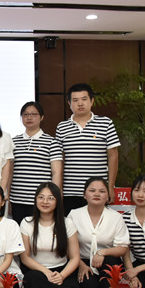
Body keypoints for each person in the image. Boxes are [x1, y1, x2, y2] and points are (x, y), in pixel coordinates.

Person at [19, 182, 80, 288]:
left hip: (62, 271)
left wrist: (62, 276)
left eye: (50, 198)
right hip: (37, 270)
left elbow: (75, 258)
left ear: (58, 201)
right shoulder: (27, 223)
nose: (45, 201)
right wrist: (45, 272)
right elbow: (25, 257)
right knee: (34, 277)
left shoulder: (67, 223)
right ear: (35, 199)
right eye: (41, 197)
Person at [56, 83, 120, 214]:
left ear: (92, 101)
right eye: (75, 100)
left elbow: (113, 155)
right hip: (70, 191)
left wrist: (110, 186)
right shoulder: (62, 127)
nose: (80, 103)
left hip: (98, 190)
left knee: (98, 225)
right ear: (69, 104)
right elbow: (59, 160)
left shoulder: (105, 123)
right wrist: (59, 188)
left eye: (84, 99)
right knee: (71, 225)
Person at [68, 177, 129, 288]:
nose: (97, 194)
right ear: (84, 195)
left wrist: (102, 253)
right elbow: (67, 246)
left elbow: (123, 247)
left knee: (111, 262)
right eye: (92, 190)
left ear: (107, 196)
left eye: (102, 191)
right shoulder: (74, 215)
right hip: (82, 261)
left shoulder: (116, 217)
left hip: (107, 260)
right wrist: (80, 265)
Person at [9, 101, 63, 224]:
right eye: (25, 114)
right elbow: (10, 171)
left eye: (33, 114)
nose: (29, 117)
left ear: (42, 117)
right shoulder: (13, 142)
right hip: (17, 199)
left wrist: (52, 197)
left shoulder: (51, 142)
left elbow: (57, 172)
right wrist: (8, 197)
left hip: (41, 201)